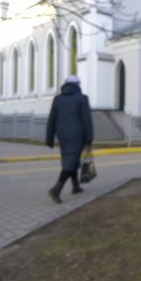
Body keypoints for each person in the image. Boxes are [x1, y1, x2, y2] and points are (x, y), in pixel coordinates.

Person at [46, 75, 94, 203]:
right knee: (71, 161)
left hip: (62, 134)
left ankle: (75, 186)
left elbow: (52, 119)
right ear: (78, 85)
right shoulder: (82, 99)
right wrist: (89, 138)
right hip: (77, 134)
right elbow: (87, 120)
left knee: (71, 158)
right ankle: (57, 189)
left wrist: (49, 138)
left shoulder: (58, 99)